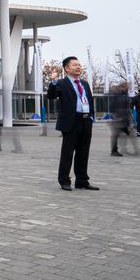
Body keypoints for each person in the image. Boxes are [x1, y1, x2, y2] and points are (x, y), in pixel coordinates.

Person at [48, 56, 99, 191]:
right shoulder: (61, 83)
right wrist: (53, 82)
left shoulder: (84, 83)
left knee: (83, 152)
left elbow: (89, 100)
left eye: (79, 65)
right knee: (68, 153)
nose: (78, 67)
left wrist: (91, 117)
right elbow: (52, 96)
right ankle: (64, 181)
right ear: (67, 68)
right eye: (74, 65)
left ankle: (82, 180)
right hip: (71, 121)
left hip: (86, 120)